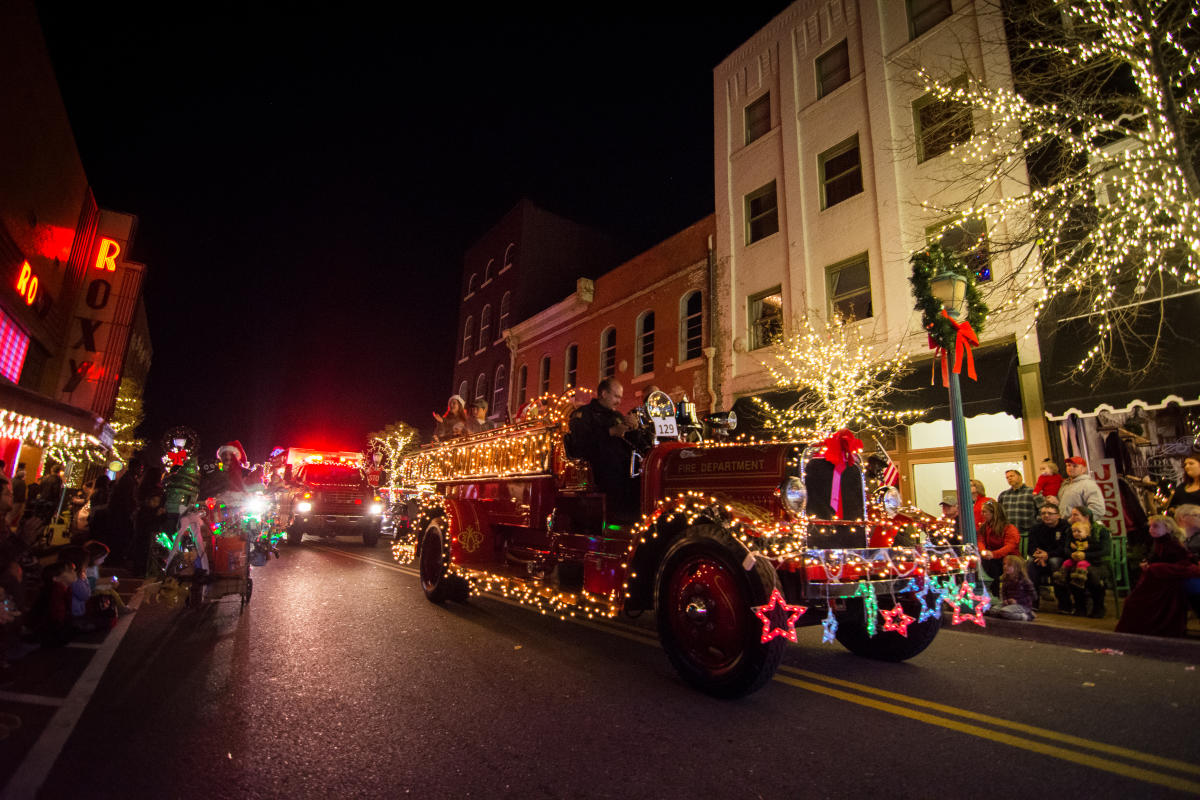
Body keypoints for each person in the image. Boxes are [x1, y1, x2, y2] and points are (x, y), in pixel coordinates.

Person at [567, 378, 641, 520]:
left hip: (622, 466)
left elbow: (632, 444)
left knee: (641, 468)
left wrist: (634, 429)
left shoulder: (618, 416)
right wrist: (610, 432)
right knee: (615, 467)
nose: (619, 401)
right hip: (597, 468)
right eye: (616, 396)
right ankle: (619, 518)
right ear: (604, 394)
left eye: (620, 397)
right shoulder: (583, 414)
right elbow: (580, 444)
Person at [1115, 515, 1198, 637]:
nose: (1151, 529)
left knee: (1136, 602)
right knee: (1133, 601)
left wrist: (1155, 568)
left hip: (1168, 584)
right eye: (1150, 527)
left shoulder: (1173, 545)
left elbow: (1182, 565)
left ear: (1168, 528)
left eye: (1155, 526)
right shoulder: (1158, 543)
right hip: (1159, 581)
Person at [1052, 506, 1112, 617]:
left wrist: (1085, 555)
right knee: (1066, 572)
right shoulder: (1072, 530)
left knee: (1090, 573)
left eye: (1076, 515)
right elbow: (1066, 548)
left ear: (1086, 517)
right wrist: (1072, 555)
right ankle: (1080, 606)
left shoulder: (1100, 530)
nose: (1072, 517)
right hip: (1076, 561)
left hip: (1098, 563)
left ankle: (1098, 607)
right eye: (1072, 515)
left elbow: (1106, 550)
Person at [1026, 502, 1071, 608]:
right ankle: (1033, 603)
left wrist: (1048, 555)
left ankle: (1064, 604)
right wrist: (1038, 555)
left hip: (1059, 558)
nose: (1046, 516)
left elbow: (1064, 548)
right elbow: (1031, 547)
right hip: (1039, 559)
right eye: (1043, 513)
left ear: (1058, 515)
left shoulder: (1066, 527)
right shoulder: (1036, 528)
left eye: (1050, 513)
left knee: (1054, 562)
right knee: (1030, 563)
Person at [977, 499, 1020, 593]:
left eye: (984, 512)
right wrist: (983, 551)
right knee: (983, 561)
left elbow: (1009, 547)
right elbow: (980, 540)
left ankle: (994, 592)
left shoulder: (1009, 528)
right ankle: (987, 591)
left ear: (994, 513)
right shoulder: (984, 526)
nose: (982, 514)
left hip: (1009, 556)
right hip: (991, 556)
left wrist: (993, 554)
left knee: (993, 564)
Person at [987, 555, 1036, 621]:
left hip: (1022, 605)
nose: (1005, 566)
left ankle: (1026, 616)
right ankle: (1007, 615)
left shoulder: (1024, 581)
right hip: (1009, 604)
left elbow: (1033, 596)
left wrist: (1017, 601)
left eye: (1009, 565)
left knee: (1005, 612)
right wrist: (1005, 600)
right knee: (993, 611)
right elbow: (1003, 592)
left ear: (1017, 568)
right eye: (1004, 564)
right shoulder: (1006, 579)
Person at [997, 468, 1038, 536]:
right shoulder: (1003, 495)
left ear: (1020, 477)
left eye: (1012, 476)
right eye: (1007, 477)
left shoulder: (1033, 492)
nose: (1009, 478)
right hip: (1009, 533)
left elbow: (1042, 509)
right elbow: (999, 513)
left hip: (1029, 533)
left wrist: (1036, 525)